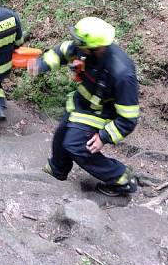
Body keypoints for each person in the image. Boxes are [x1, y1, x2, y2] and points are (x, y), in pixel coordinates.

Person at [28, 16, 139, 197]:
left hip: (103, 113)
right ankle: (57, 170)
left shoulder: (122, 73)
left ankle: (121, 178)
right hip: (82, 104)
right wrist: (41, 64)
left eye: (80, 42)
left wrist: (104, 136)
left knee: (77, 145)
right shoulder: (84, 49)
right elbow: (62, 51)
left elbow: (129, 118)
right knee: (62, 135)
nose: (75, 45)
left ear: (97, 47)